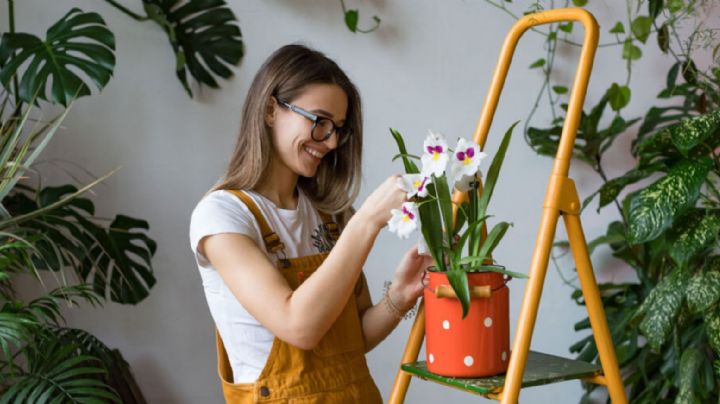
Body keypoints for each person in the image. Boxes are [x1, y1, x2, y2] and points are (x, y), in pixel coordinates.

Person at [189, 44, 431, 403]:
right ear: (271, 110)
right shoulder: (222, 216)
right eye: (319, 121)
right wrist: (367, 221)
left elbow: (354, 338)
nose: (331, 142)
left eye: (338, 129)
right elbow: (298, 326)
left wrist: (399, 296)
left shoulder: (329, 215)